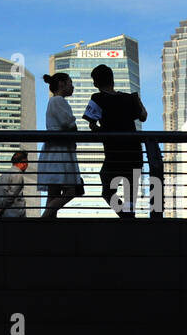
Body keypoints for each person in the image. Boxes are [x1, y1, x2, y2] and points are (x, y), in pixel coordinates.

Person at [84, 64, 149, 219]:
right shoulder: (128, 98)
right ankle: (129, 219)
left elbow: (92, 125)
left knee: (107, 190)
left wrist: (106, 133)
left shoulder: (97, 98)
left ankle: (124, 217)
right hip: (134, 152)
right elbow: (144, 116)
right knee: (130, 196)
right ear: (112, 79)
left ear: (96, 83)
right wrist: (137, 101)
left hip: (114, 153)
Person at [38, 74, 84, 218]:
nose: (72, 86)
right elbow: (68, 123)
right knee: (72, 190)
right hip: (60, 153)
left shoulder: (53, 101)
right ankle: (43, 221)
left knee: (53, 195)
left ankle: (47, 228)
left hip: (54, 152)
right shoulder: (58, 101)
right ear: (61, 83)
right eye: (70, 82)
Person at [0, 150, 30, 218]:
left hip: (3, 215)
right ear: (24, 162)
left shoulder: (2, 176)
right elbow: (12, 195)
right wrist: (2, 207)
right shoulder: (18, 174)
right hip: (15, 214)